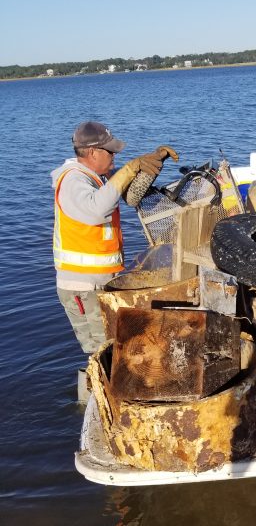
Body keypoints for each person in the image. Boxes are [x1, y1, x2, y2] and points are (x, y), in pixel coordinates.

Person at [51, 121, 178, 354]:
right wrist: (129, 169)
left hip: (101, 281)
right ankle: (98, 388)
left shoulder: (97, 177)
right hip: (83, 287)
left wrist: (153, 161)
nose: (115, 156)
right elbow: (96, 210)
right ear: (91, 152)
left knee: (116, 344)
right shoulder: (73, 180)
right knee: (103, 350)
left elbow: (128, 196)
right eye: (110, 151)